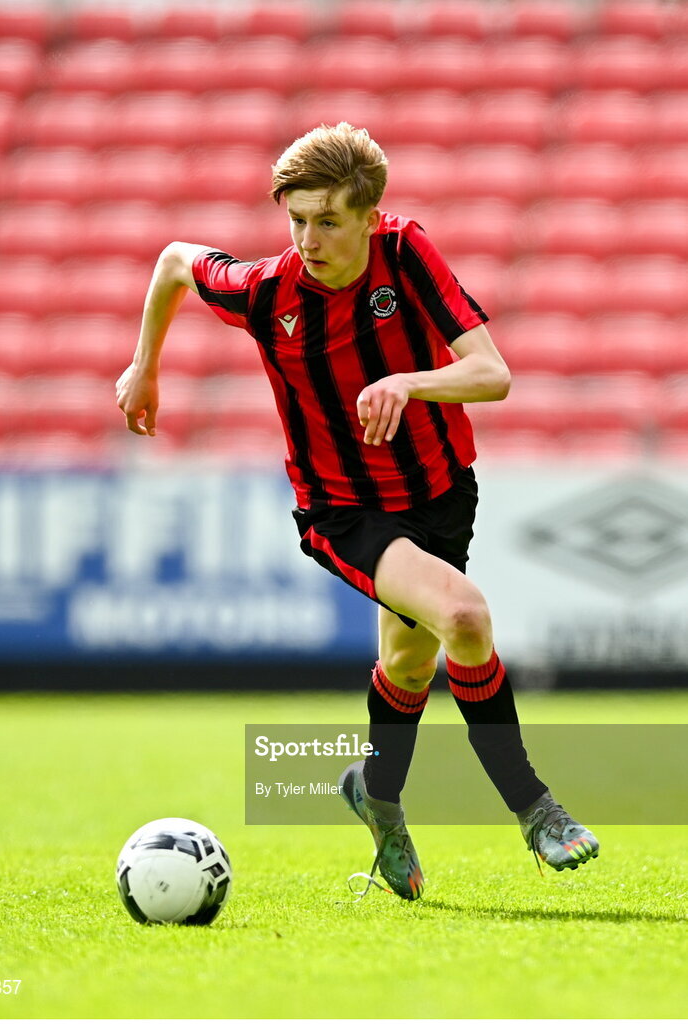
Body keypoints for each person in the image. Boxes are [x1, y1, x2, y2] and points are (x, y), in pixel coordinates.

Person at [116, 123, 599, 901]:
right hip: (342, 510)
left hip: (441, 494)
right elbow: (175, 261)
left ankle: (375, 796)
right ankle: (536, 809)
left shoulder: (406, 254)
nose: (308, 239)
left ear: (371, 217)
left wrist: (408, 382)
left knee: (411, 664)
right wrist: (145, 366)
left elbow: (492, 373)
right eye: (296, 219)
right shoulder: (268, 290)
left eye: (328, 221)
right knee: (467, 619)